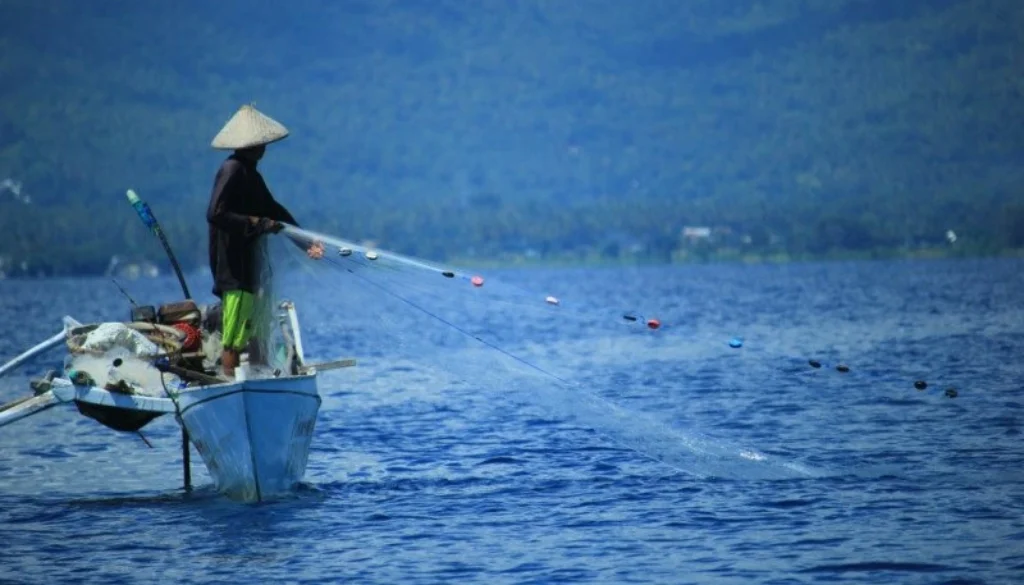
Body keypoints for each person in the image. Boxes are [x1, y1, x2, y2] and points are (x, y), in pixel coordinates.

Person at [206, 104, 325, 378]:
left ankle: (259, 376)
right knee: (234, 336)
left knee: (256, 326)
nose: (264, 149)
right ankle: (231, 381)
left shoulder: (251, 175)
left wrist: (305, 241)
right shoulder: (232, 170)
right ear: (249, 145)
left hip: (249, 265)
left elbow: (273, 210)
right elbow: (215, 213)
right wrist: (255, 223)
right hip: (232, 267)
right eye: (261, 144)